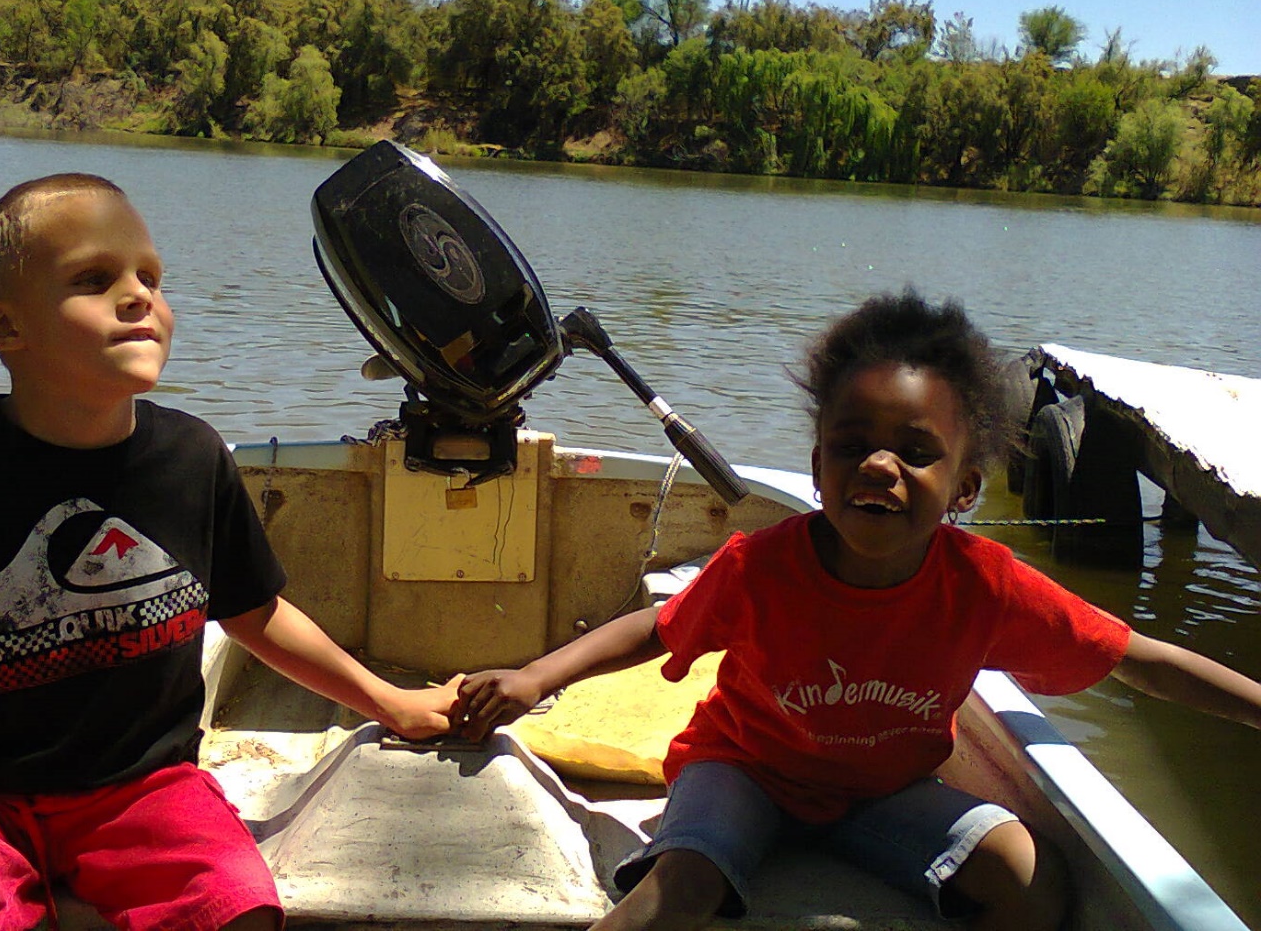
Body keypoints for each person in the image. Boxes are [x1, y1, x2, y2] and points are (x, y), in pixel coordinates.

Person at [456, 289, 1261, 931]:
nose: (879, 465)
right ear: (817, 467)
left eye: (916, 452)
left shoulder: (985, 584)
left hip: (881, 793)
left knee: (1031, 881)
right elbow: (657, 627)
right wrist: (533, 679)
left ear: (965, 489)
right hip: (742, 770)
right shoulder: (763, 566)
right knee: (683, 888)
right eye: (852, 446)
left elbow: (1138, 658)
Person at [0, 173, 460, 931]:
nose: (140, 296)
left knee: (241, 907)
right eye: (93, 279)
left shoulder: (193, 457)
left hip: (145, 789)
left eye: (151, 277)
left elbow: (255, 613)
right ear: (5, 327)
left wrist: (390, 702)